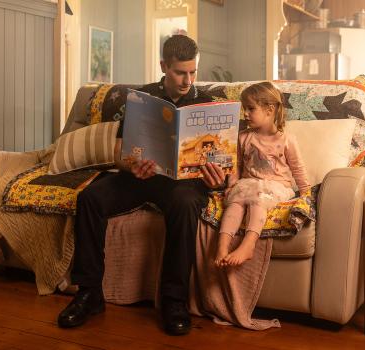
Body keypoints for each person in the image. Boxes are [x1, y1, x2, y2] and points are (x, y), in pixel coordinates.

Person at [57, 35, 226, 336]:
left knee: (186, 203)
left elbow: (222, 162)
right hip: (141, 177)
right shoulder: (140, 98)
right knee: (90, 198)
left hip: (182, 185)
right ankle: (89, 293)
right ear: (164, 66)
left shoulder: (207, 105)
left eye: (193, 72)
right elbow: (120, 153)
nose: (188, 80)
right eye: (180, 72)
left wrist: (217, 179)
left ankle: (174, 301)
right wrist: (132, 164)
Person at [214, 82, 310, 267]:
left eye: (251, 109)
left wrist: (306, 193)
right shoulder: (244, 137)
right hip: (247, 183)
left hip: (276, 188)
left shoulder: (286, 140)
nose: (245, 114)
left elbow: (298, 169)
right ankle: (222, 246)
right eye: (244, 109)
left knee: (259, 200)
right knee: (234, 203)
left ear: (269, 109)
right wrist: (232, 185)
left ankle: (248, 245)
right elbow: (237, 165)